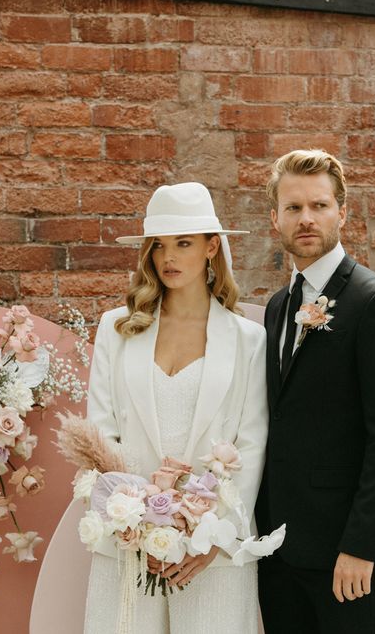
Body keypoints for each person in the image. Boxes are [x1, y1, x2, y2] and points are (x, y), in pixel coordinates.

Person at [83, 182, 268, 634]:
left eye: (183, 243)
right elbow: (101, 431)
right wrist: (138, 521)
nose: (169, 257)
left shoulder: (248, 339)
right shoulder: (117, 328)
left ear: (211, 247)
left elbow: (252, 443)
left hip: (213, 554)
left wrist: (213, 538)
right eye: (159, 245)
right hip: (128, 545)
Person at [255, 149, 375, 634]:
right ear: (275, 218)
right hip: (277, 550)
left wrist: (361, 546)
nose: (307, 219)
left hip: (344, 556)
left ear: (343, 212)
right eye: (294, 208)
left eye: (319, 206)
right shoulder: (277, 306)